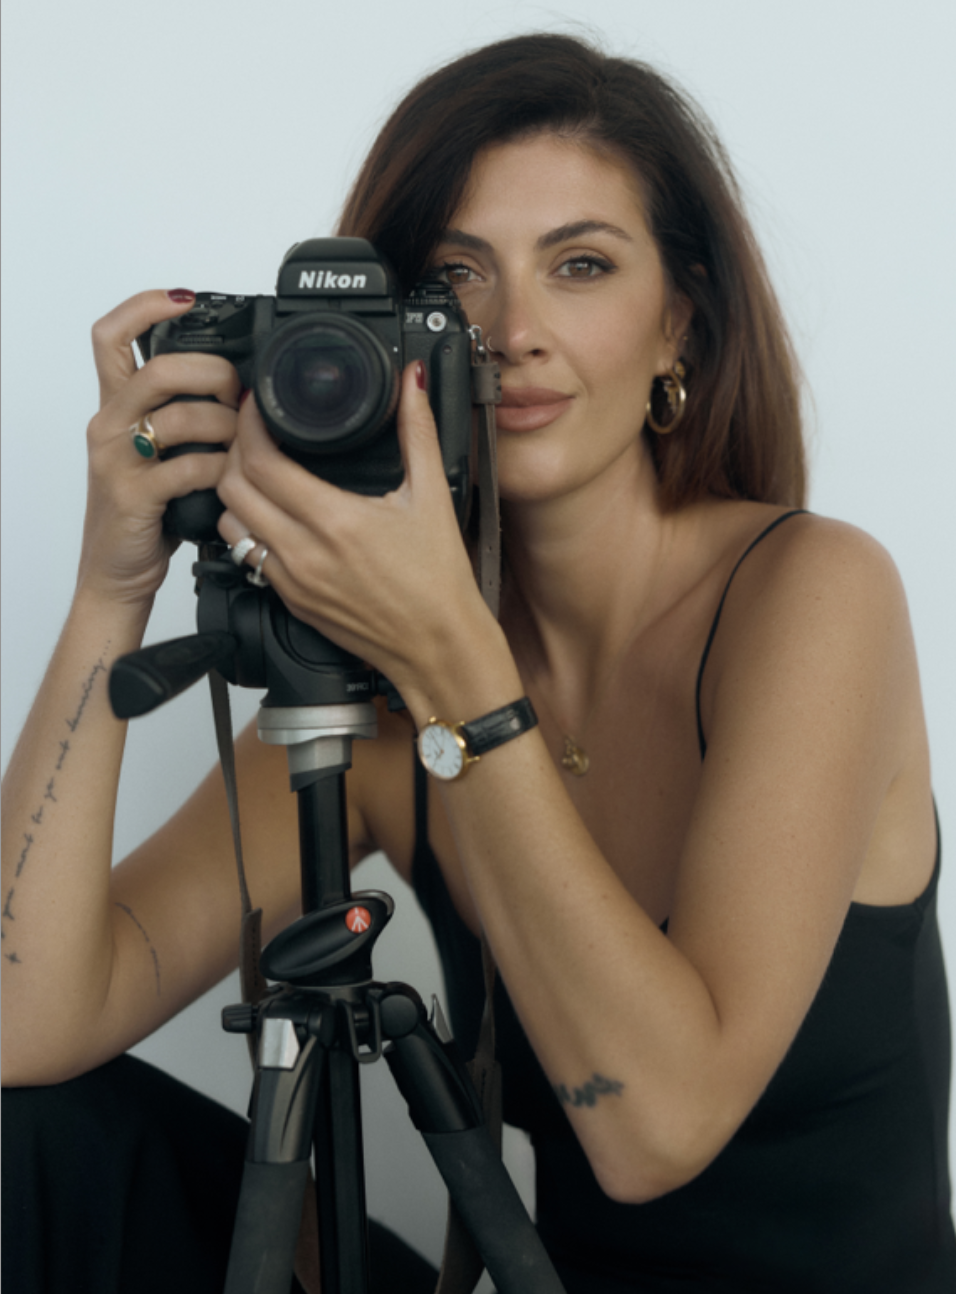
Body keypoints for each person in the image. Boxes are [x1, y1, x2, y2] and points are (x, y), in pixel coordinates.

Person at [2, 30, 953, 1294]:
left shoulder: (809, 592)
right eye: (455, 275)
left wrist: (447, 652)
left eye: (579, 265)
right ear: (390, 331)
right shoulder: (382, 694)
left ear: (678, 320)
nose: (509, 331)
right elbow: (25, 1024)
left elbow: (655, 1130)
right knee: (30, 1138)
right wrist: (108, 590)